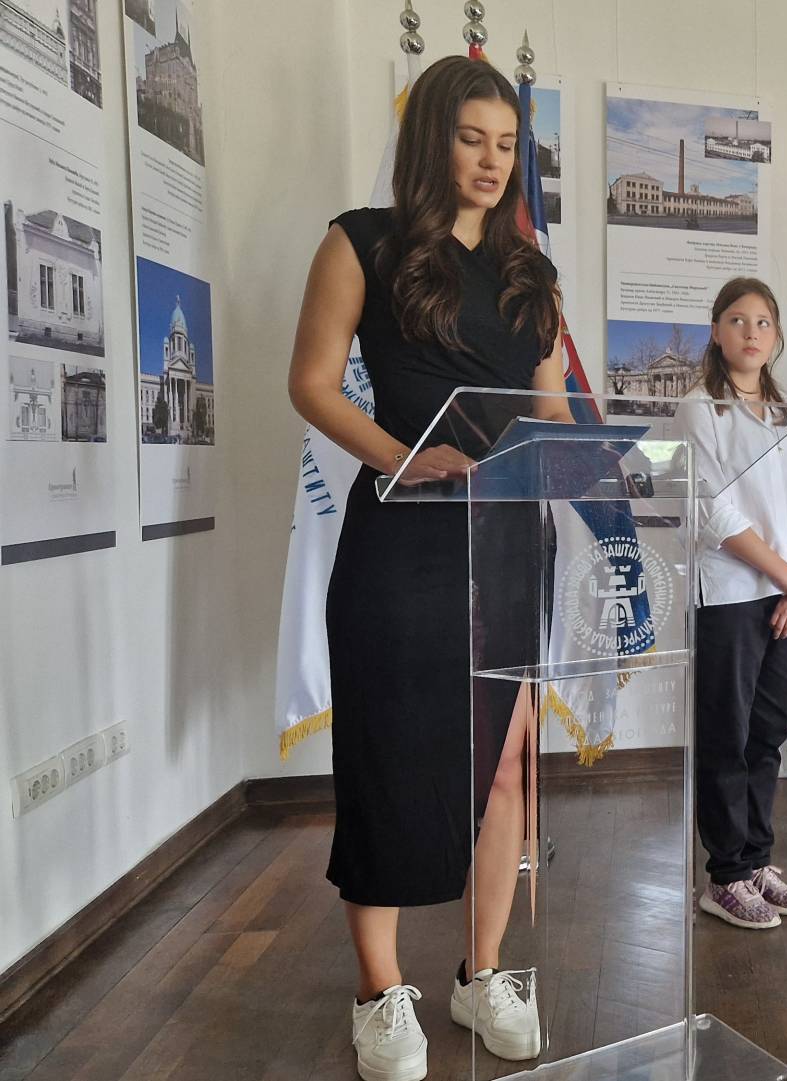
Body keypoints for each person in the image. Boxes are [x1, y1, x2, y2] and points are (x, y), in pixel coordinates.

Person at [288, 56, 561, 1079]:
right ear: (430, 139)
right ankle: (379, 988)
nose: (491, 162)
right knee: (391, 757)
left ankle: (479, 972)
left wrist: (590, 451)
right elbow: (313, 383)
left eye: (507, 145)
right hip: (402, 540)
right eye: (471, 139)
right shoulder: (362, 240)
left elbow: (550, 412)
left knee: (505, 766)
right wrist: (406, 457)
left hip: (507, 542)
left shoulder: (533, 274)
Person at [679, 277, 787, 929]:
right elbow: (713, 510)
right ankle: (724, 876)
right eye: (737, 320)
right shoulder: (700, 408)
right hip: (731, 593)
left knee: (768, 733)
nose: (751, 332)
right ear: (716, 331)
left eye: (763, 322)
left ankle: (757, 860)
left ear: (776, 337)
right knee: (727, 734)